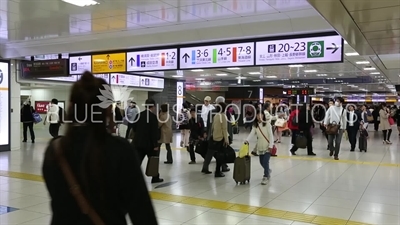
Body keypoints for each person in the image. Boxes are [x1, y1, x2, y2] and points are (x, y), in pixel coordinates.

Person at [42, 72, 157, 224]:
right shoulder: (120, 150)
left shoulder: (55, 149)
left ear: (71, 108)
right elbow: (142, 213)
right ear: (107, 109)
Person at [132, 98, 164, 183]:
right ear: (152, 107)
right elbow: (154, 132)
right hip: (149, 145)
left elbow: (134, 127)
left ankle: (132, 177)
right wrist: (155, 145)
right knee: (153, 161)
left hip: (138, 143)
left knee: (137, 161)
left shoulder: (139, 115)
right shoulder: (153, 117)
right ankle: (155, 177)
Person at [202, 96, 230, 174]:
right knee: (221, 152)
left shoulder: (212, 112)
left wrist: (207, 133)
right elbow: (225, 128)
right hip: (220, 136)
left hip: (211, 135)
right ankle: (222, 167)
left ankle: (205, 166)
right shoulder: (223, 114)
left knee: (210, 152)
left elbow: (208, 124)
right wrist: (227, 137)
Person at [245, 109, 274, 185]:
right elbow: (252, 134)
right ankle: (268, 170)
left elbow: (271, 135)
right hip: (260, 145)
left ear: (263, 115)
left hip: (267, 145)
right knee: (261, 162)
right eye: (258, 115)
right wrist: (247, 140)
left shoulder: (267, 124)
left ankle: (265, 176)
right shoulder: (255, 125)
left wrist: (271, 145)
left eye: (261, 114)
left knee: (265, 161)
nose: (259, 116)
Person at [209, 102, 229, 177]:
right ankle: (218, 171)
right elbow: (224, 129)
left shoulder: (216, 116)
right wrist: (226, 139)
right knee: (221, 156)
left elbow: (213, 127)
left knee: (218, 154)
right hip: (221, 138)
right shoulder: (223, 116)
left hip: (215, 137)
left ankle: (219, 170)